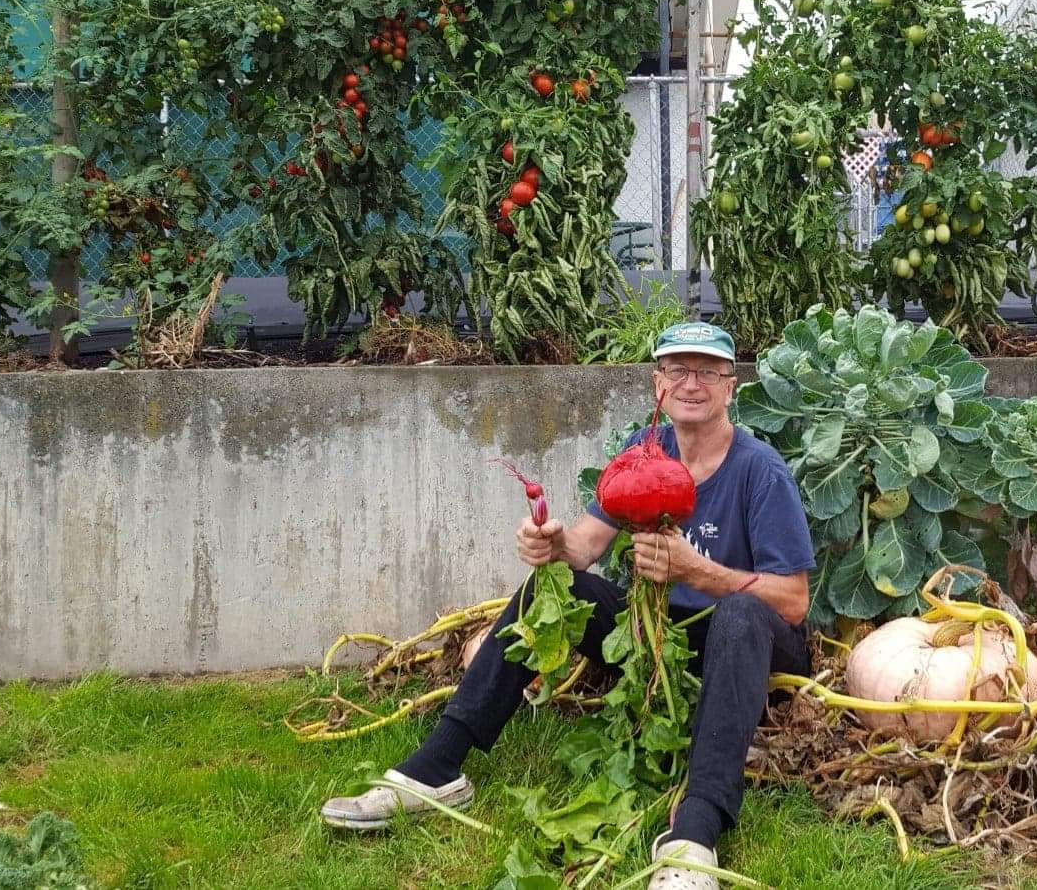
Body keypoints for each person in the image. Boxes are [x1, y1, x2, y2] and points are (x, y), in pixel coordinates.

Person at [320, 322, 816, 890]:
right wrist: (550, 545)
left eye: (708, 371)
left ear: (731, 387)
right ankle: (435, 766)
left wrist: (697, 571)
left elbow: (794, 602)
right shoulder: (641, 453)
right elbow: (584, 546)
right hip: (659, 639)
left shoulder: (759, 470)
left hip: (749, 645)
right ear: (658, 384)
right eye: (677, 369)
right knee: (550, 585)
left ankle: (695, 832)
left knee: (741, 613)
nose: (692, 383)